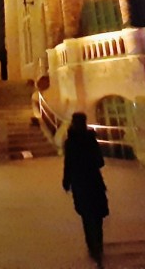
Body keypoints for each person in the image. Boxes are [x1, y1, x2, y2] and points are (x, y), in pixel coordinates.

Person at [62, 112, 109, 267]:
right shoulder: (91, 140)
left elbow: (68, 164)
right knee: (97, 215)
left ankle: (92, 246)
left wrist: (66, 181)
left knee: (87, 215)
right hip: (94, 181)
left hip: (80, 182)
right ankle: (98, 245)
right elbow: (100, 162)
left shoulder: (70, 142)